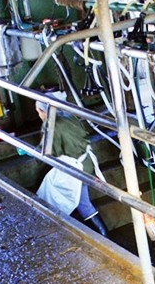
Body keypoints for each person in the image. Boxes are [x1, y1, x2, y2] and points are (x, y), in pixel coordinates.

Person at [35, 97, 109, 236]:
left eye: (38, 112)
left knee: (78, 203)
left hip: (76, 168)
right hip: (86, 162)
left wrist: (33, 153)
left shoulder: (51, 124)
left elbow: (49, 151)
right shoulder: (68, 114)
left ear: (42, 111)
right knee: (83, 203)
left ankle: (106, 238)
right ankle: (104, 237)